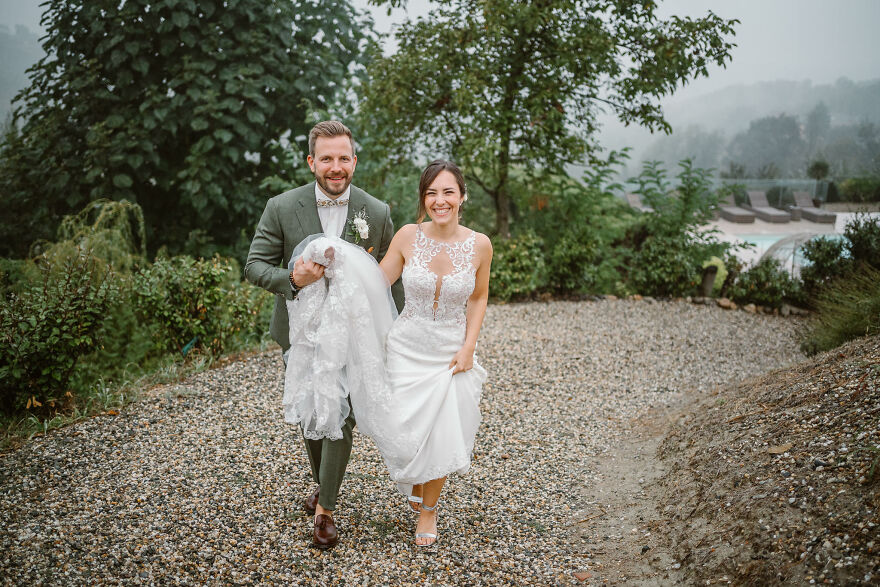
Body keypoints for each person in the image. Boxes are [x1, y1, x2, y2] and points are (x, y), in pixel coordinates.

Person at [244, 120, 401, 550]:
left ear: (354, 160)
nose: (336, 167)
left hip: (354, 332)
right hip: (301, 332)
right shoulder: (281, 206)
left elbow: (391, 277)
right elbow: (254, 265)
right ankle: (323, 483)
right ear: (312, 161)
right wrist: (293, 277)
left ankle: (326, 509)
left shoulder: (377, 212)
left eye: (343, 158)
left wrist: (401, 330)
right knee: (312, 413)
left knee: (342, 412)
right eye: (327, 158)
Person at [376, 159, 493, 546]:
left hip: (450, 352)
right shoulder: (408, 236)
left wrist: (469, 347)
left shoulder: (480, 245)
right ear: (423, 199)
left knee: (443, 429)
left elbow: (478, 297)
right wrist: (348, 264)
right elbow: (380, 280)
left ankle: (429, 510)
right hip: (407, 346)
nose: (439, 200)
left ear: (462, 196)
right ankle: (415, 478)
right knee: (405, 426)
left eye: (447, 192)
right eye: (431, 193)